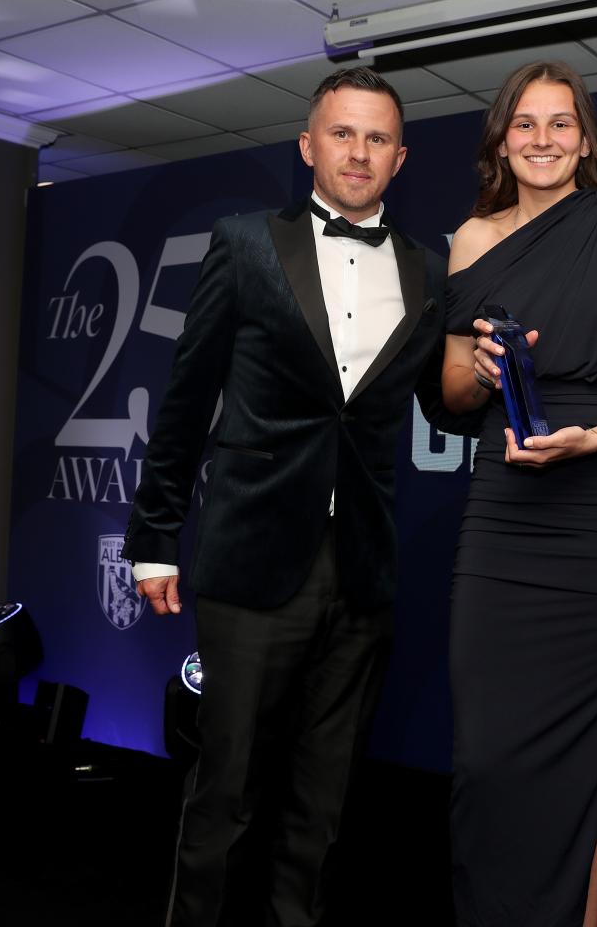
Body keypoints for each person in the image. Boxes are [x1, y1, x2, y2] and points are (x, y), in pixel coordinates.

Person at [123, 67, 457, 927]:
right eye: (342, 134)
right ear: (308, 146)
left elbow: (436, 402)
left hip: (363, 573)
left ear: (401, 157)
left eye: (377, 138)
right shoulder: (243, 242)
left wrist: (487, 374)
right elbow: (187, 399)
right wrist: (154, 536)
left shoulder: (430, 268)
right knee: (225, 791)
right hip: (252, 558)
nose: (359, 152)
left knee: (324, 802)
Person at [441, 61, 597, 926]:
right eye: (524, 124)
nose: (542, 140)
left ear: (584, 139)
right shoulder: (471, 241)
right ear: (501, 140)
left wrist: (594, 437)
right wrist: (477, 373)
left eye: (560, 124)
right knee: (483, 755)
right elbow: (449, 396)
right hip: (503, 505)